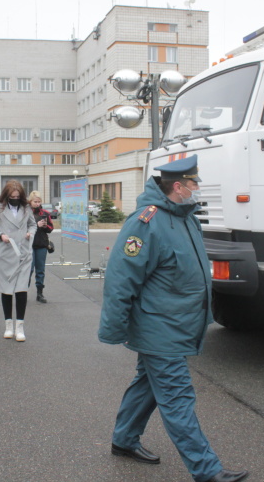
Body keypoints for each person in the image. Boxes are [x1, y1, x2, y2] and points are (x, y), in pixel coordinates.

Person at [98, 155, 248, 482]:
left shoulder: (185, 217)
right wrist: (114, 327)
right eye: (194, 183)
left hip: (174, 324)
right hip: (159, 328)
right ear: (178, 187)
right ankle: (207, 470)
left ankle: (124, 439)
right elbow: (122, 277)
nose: (198, 188)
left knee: (147, 386)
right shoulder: (146, 222)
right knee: (178, 399)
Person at [0, 180, 36, 342]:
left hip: (24, 254)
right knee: (6, 290)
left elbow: (33, 225)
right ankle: (8, 325)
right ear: (6, 195)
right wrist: (0, 235)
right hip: (6, 254)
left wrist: (29, 233)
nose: (15, 198)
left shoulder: (26, 208)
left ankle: (20, 326)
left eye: (17, 196)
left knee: (21, 290)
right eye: (12, 196)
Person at [27, 191, 53, 304]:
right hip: (29, 245)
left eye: (39, 201)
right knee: (29, 269)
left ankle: (40, 293)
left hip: (41, 245)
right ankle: (23, 293)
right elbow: (21, 229)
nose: (37, 204)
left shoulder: (45, 213)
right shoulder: (26, 213)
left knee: (40, 270)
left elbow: (51, 228)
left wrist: (45, 225)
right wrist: (36, 225)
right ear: (30, 202)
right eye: (35, 201)